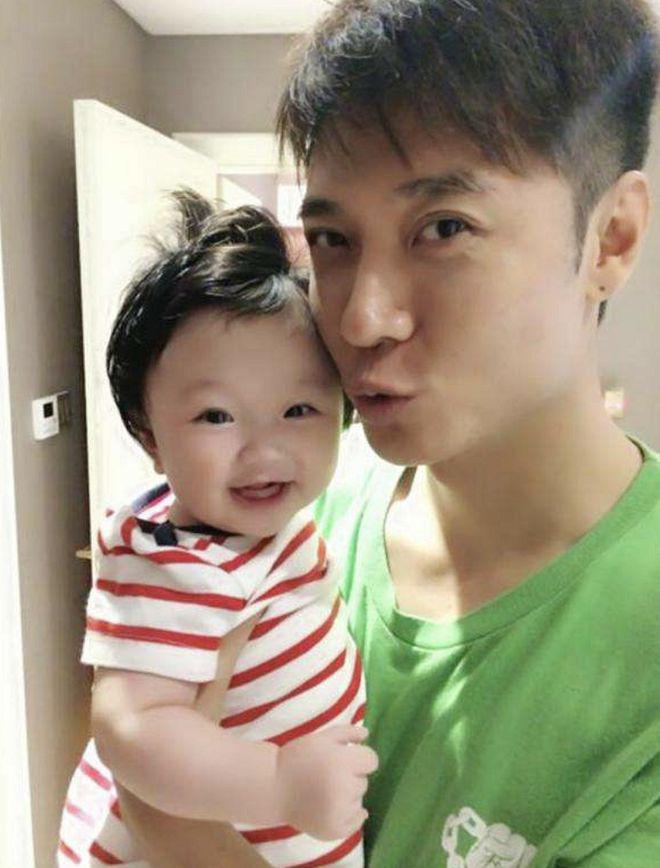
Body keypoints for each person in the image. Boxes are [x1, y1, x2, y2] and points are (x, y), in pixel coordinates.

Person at [81, 1, 660, 865]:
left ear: (610, 238)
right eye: (332, 239)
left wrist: (171, 818)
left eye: (444, 228)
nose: (360, 318)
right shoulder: (290, 494)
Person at [57, 192, 377, 868]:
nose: (264, 449)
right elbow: (132, 726)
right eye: (216, 416)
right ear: (149, 435)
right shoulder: (174, 567)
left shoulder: (271, 533)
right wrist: (280, 783)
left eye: (298, 409)